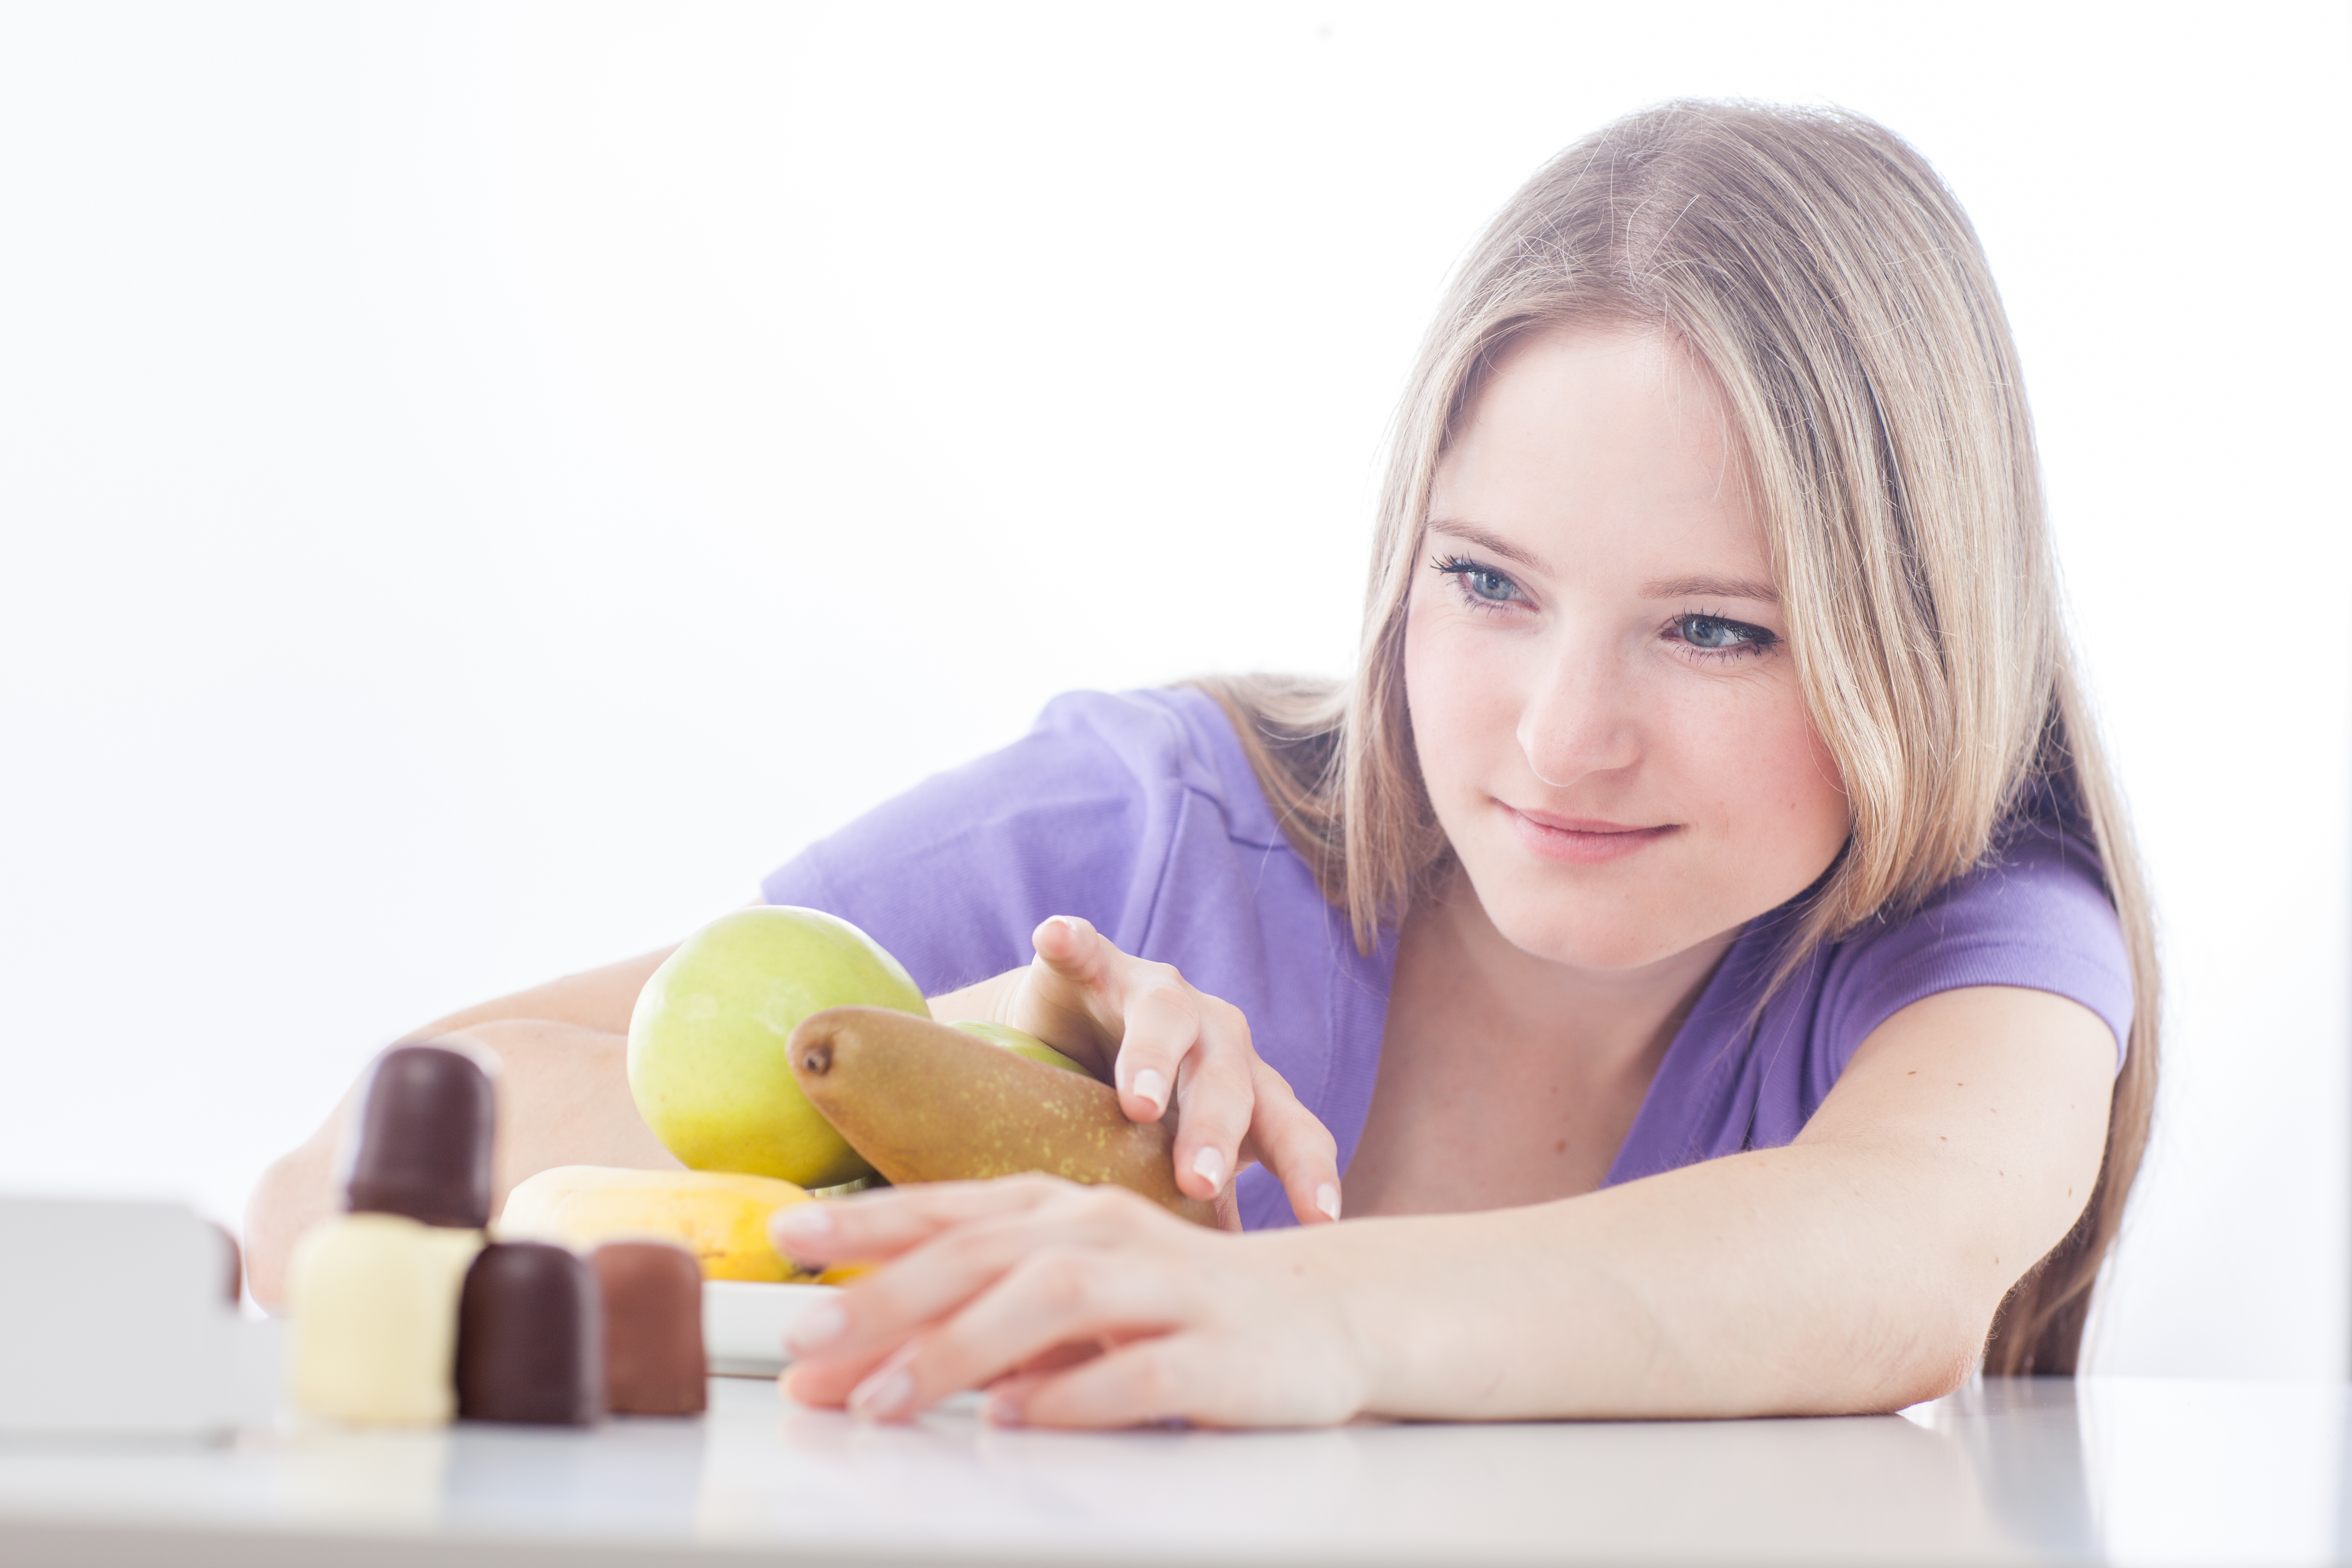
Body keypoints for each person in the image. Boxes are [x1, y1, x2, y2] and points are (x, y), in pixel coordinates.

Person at [245, 100, 2157, 1428]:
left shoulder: (1980, 929)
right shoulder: (1146, 836)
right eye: (1487, 585)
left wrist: (1274, 1314)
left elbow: (1897, 1258)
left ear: (1919, 637)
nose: (1565, 733)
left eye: (1717, 628)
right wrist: (944, 1075)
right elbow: (337, 1178)